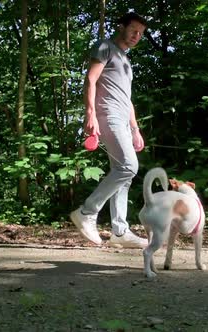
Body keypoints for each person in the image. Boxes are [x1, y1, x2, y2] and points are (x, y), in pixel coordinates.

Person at [70, 12, 148, 248]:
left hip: (123, 119)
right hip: (108, 115)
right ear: (121, 27)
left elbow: (128, 98)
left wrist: (135, 129)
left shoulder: (126, 60)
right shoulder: (105, 46)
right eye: (133, 30)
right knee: (128, 166)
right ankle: (87, 212)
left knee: (123, 174)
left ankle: (120, 232)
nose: (137, 36)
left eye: (141, 33)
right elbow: (91, 79)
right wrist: (90, 113)